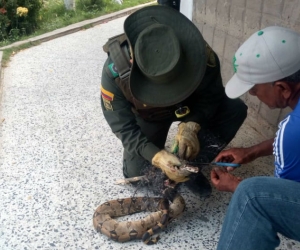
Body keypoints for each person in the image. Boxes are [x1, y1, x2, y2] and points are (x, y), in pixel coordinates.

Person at [100, 5, 247, 197]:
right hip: (150, 116)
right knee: (137, 173)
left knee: (234, 109)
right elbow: (123, 128)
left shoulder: (201, 54)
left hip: (191, 107)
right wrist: (156, 156)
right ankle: (169, 166)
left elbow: (212, 96)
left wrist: (193, 124)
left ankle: (192, 166)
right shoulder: (115, 72)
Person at [210, 26, 300, 249]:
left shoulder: (292, 129)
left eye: (253, 89)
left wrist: (236, 185)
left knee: (251, 196)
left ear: (282, 88)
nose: (252, 94)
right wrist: (250, 152)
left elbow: (279, 198)